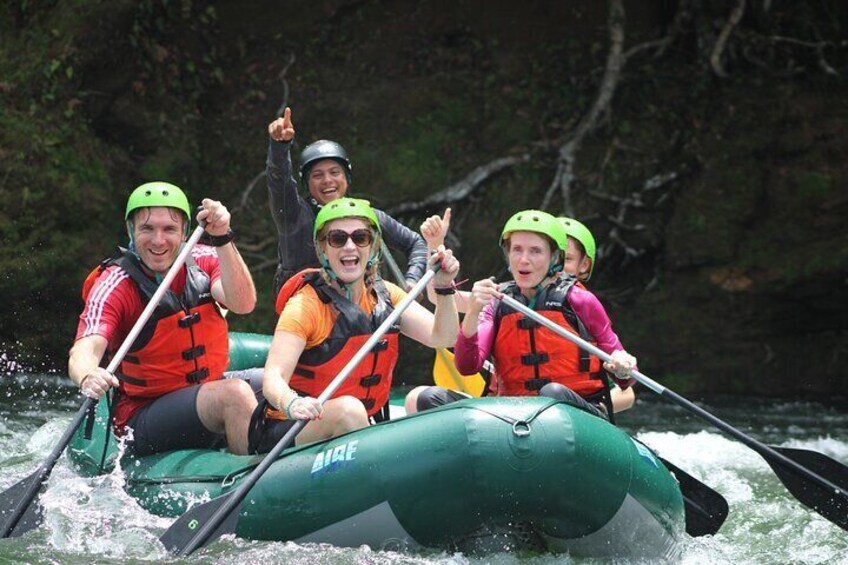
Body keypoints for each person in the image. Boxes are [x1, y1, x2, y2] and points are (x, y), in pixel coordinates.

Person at [250, 197, 459, 453]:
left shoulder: (387, 296)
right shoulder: (305, 306)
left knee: (361, 411)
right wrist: (291, 403)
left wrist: (445, 287)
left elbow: (443, 337)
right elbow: (274, 377)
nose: (350, 247)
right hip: (294, 429)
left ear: (372, 247)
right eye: (338, 239)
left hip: (359, 427)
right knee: (349, 410)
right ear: (322, 249)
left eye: (360, 238)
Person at [68, 182, 258, 456]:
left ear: (184, 232)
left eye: (169, 229)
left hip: (205, 390)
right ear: (131, 230)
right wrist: (87, 375)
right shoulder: (116, 285)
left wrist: (223, 238)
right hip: (143, 415)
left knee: (276, 383)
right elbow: (85, 349)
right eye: (147, 229)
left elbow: (243, 304)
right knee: (235, 395)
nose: (158, 240)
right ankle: (249, 488)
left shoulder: (204, 259)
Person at [406, 209, 637, 419]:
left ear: (553, 258)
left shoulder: (580, 300)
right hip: (512, 412)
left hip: (571, 413)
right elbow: (467, 367)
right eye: (517, 250)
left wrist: (625, 366)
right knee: (429, 398)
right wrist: (474, 311)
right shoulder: (498, 301)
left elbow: (626, 378)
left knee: (552, 392)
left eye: (535, 251)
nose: (523, 259)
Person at [266, 107, 428, 294]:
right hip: (309, 311)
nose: (327, 180)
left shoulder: (367, 215)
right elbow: (279, 180)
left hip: (364, 310)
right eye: (317, 175)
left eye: (335, 172)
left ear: (346, 178)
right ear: (307, 184)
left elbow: (416, 243)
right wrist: (279, 147)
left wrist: (413, 280)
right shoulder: (293, 214)